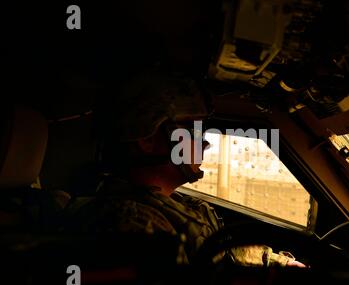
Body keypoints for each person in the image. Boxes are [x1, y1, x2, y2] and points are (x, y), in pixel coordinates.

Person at [63, 72, 304, 268]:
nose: (205, 142)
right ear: (147, 140)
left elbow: (217, 248)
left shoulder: (170, 203)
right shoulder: (128, 225)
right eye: (194, 129)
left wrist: (278, 265)